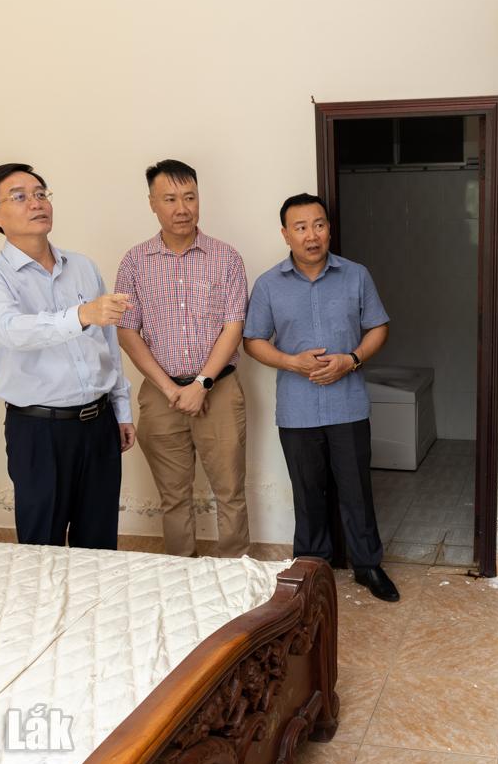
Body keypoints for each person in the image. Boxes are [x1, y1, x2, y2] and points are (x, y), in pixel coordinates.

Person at [0, 162, 136, 549]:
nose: (36, 203)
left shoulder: (82, 266)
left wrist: (121, 410)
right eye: (20, 197)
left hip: (99, 423)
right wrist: (81, 315)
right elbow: (10, 330)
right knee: (42, 544)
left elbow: (108, 344)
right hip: (39, 430)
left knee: (99, 543)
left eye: (41, 194)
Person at [243, 193, 399, 601]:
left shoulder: (356, 275)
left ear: (329, 229)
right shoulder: (268, 285)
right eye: (301, 227)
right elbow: (252, 340)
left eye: (318, 225)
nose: (311, 235)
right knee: (308, 494)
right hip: (297, 410)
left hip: (348, 404)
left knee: (356, 490)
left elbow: (378, 327)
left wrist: (352, 359)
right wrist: (291, 362)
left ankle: (368, 565)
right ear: (286, 234)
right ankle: (312, 569)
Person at [114, 159, 250, 557]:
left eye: (189, 197)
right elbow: (127, 331)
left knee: (230, 491)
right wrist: (171, 388)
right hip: (162, 394)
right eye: (170, 199)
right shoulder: (135, 262)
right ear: (152, 203)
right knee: (173, 496)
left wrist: (201, 384)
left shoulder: (226, 257)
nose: (182, 208)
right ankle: (181, 572)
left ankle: (235, 572)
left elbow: (233, 326)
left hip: (219, 389)